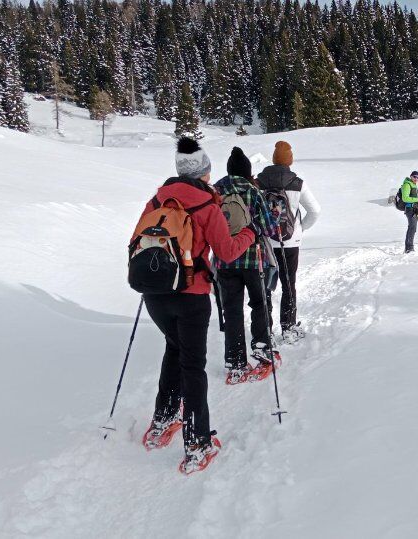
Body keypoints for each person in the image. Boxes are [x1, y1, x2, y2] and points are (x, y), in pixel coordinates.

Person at [136, 137, 257, 474]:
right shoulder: (207, 206)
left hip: (156, 295)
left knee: (173, 349)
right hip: (191, 296)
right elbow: (228, 251)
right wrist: (248, 233)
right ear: (204, 173)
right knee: (192, 365)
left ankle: (162, 421)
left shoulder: (157, 201)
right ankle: (198, 443)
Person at [213, 147, 273, 383]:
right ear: (247, 171)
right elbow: (268, 228)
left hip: (224, 259)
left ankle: (236, 361)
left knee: (232, 309)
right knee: (260, 302)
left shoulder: (215, 192)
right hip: (252, 257)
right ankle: (261, 347)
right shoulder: (253, 191)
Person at [256, 141, 320, 343]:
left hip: (265, 242)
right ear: (289, 161)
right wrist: (300, 229)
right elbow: (315, 211)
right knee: (288, 284)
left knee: (264, 286)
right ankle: (288, 327)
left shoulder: (258, 182)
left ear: (274, 159)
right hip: (290, 242)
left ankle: (265, 330)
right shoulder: (297, 182)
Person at [399, 171, 418, 253]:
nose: (416, 179)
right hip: (409, 209)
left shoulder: (413, 185)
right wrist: (417, 199)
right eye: (414, 177)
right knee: (412, 228)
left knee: (413, 228)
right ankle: (409, 248)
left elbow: (414, 199)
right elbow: (405, 198)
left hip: (414, 209)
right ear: (411, 176)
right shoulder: (407, 185)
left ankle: (409, 247)